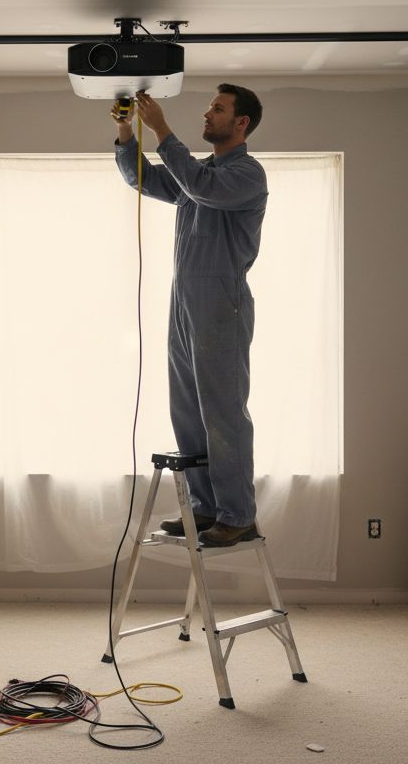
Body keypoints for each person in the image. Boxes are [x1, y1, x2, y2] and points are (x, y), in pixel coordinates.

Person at [111, 84, 267, 547]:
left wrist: (161, 127)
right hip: (184, 304)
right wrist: (125, 130)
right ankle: (203, 509)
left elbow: (200, 187)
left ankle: (237, 514)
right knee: (189, 410)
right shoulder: (196, 172)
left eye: (218, 109)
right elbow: (144, 179)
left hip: (221, 305)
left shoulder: (246, 175)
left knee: (223, 413)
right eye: (210, 107)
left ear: (241, 123)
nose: (208, 113)